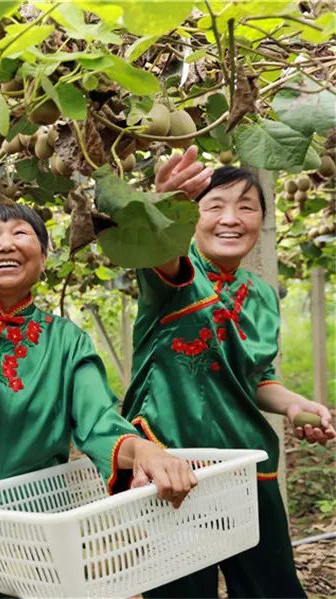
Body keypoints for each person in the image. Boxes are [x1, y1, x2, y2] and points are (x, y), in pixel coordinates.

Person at [0, 118, 198, 598]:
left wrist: (146, 451)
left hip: (33, 524)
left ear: (43, 257)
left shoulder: (67, 341)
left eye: (21, 233)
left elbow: (99, 422)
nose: (6, 243)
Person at [122, 147, 335, 598]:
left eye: (247, 207)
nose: (231, 219)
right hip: (173, 466)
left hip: (246, 465)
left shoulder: (261, 294)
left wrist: (294, 405)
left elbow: (257, 378)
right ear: (191, 218)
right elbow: (164, 254)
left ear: (261, 219)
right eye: (214, 206)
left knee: (272, 589)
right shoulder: (175, 274)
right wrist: (163, 212)